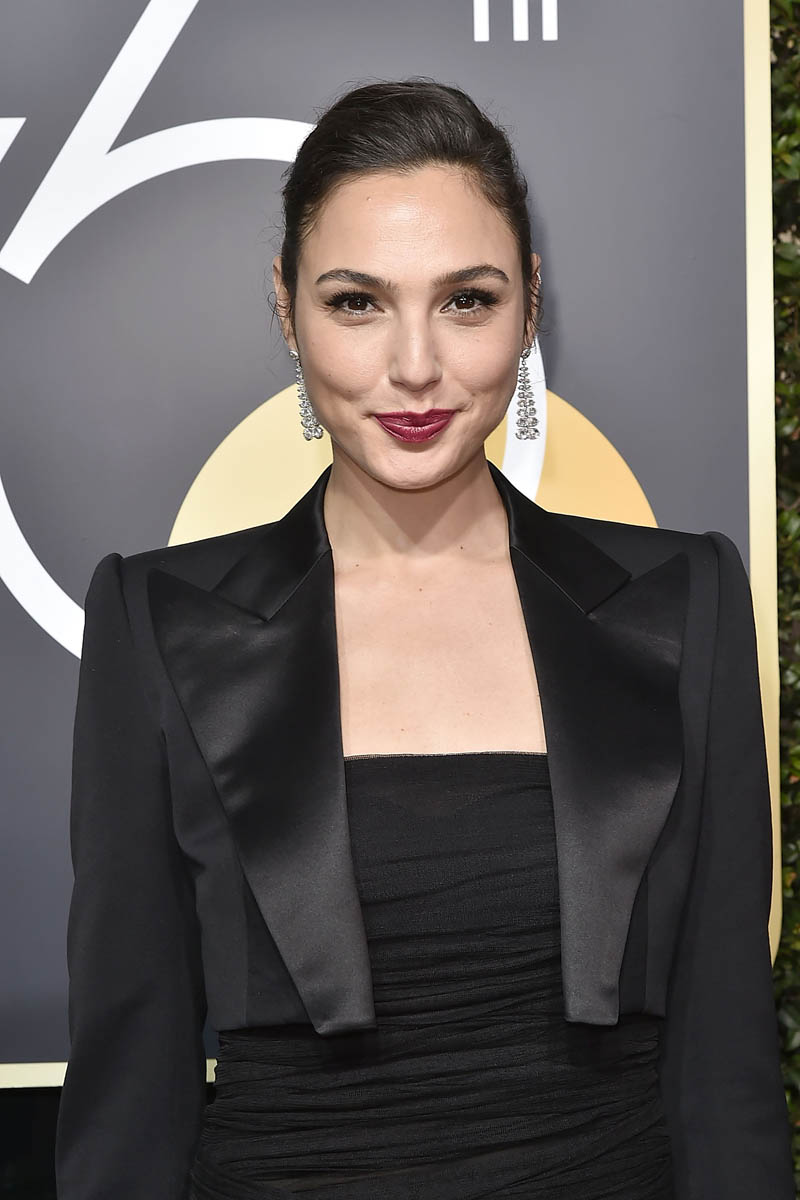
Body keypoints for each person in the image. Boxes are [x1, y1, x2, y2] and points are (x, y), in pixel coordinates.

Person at [54, 78, 794, 1200]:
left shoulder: (680, 604)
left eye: (466, 301)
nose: (413, 366)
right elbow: (131, 1091)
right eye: (356, 302)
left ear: (530, 306)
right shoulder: (158, 620)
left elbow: (723, 1068)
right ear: (286, 307)